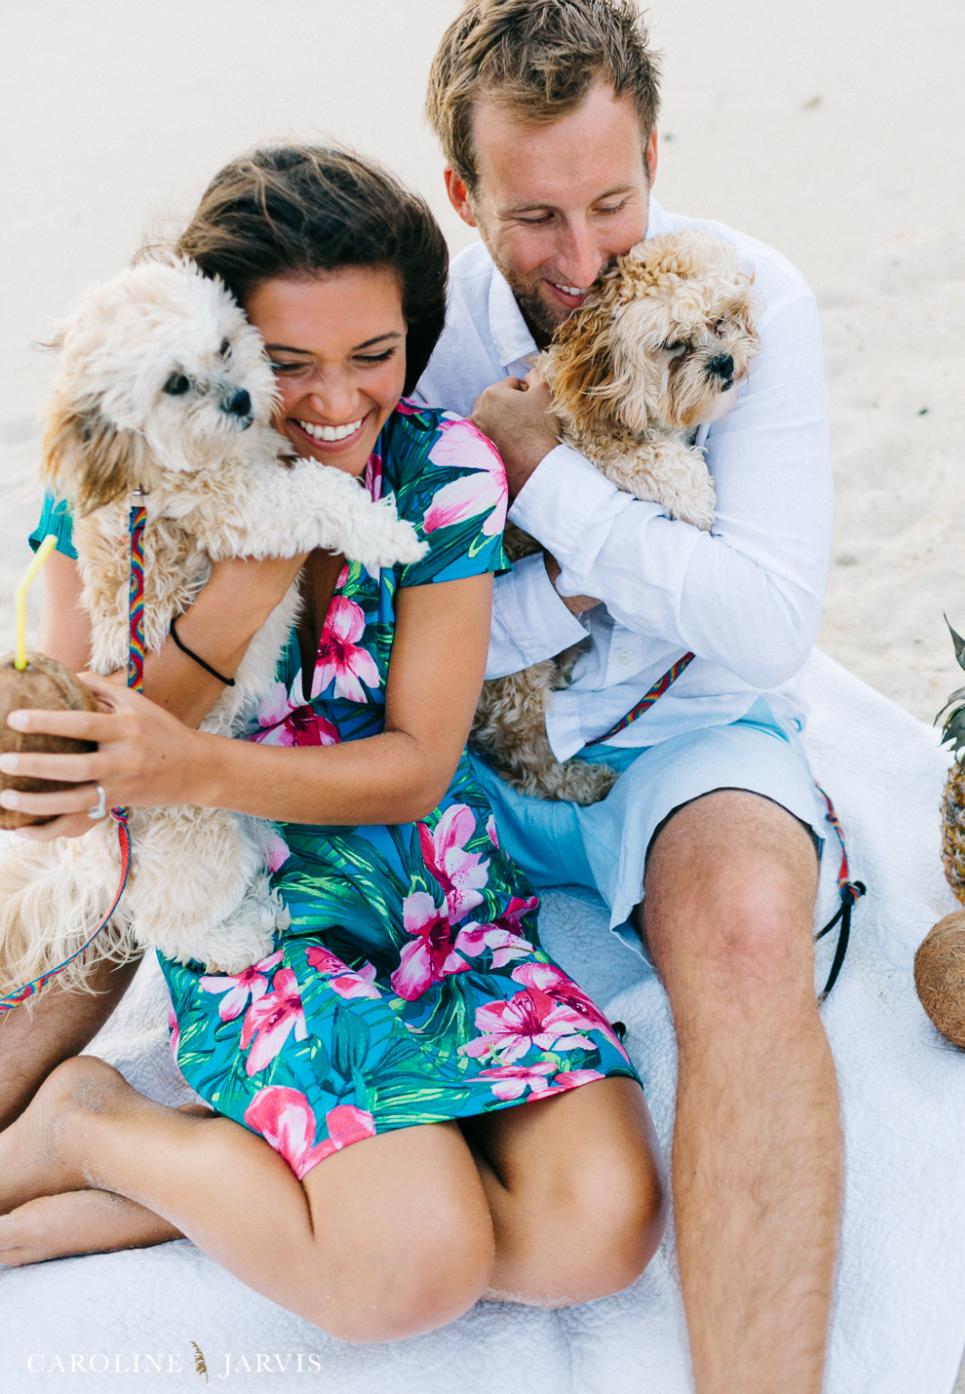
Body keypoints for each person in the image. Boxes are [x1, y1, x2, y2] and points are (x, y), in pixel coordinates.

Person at [0, 146, 665, 1338]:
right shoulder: (131, 473)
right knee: (408, 1269)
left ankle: (215, 1189)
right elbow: (88, 758)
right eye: (287, 361)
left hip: (433, 902)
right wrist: (246, 585)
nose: (333, 402)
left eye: (374, 354)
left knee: (598, 1230)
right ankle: (90, 1122)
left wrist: (190, 762)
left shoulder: (439, 472)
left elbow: (414, 764)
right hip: (254, 909)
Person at [413, 0, 839, 1394]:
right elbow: (404, 640)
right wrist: (581, 582)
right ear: (462, 194)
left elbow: (765, 627)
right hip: (450, 741)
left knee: (750, 924)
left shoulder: (745, 298)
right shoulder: (415, 330)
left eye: (612, 201)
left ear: (654, 154)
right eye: (535, 216)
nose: (585, 256)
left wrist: (554, 490)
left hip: (686, 734)